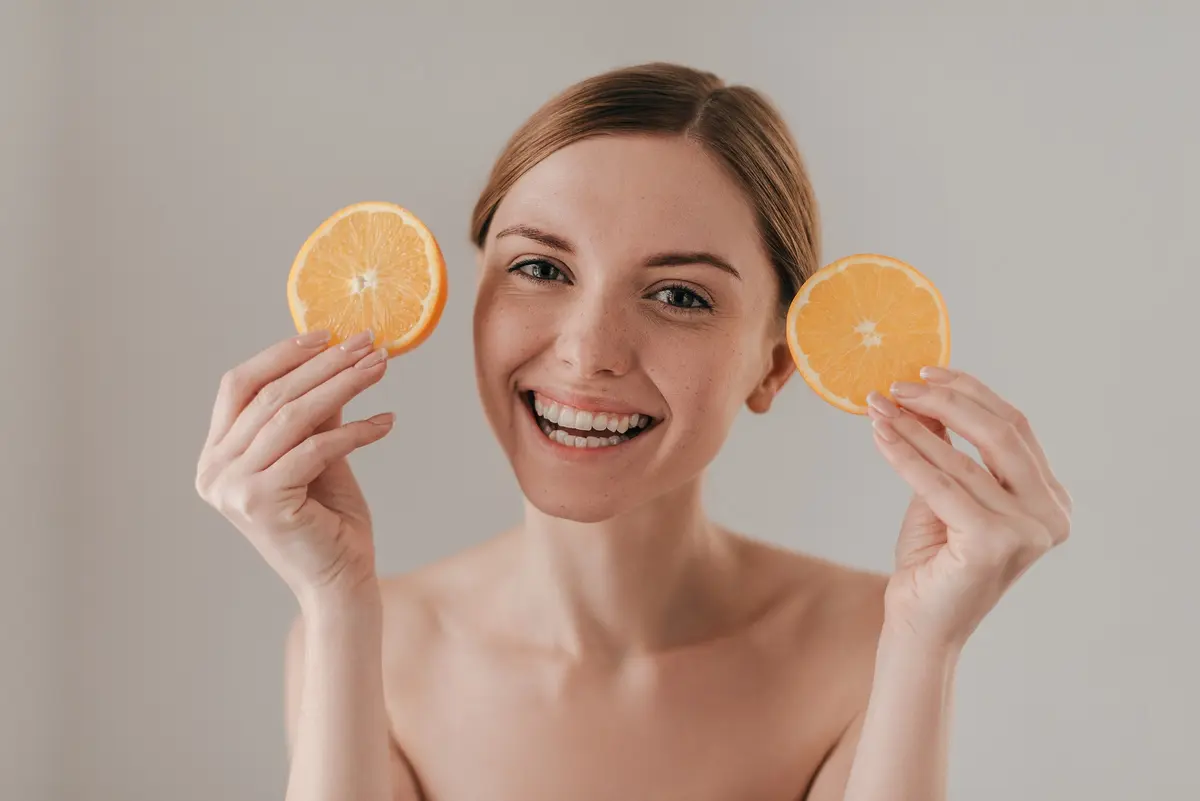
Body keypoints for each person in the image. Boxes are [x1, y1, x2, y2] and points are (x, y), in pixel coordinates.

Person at [194, 62, 1071, 801]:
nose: (587, 353)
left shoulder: (871, 643)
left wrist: (928, 641)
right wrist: (339, 601)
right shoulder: (364, 642)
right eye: (541, 268)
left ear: (777, 362)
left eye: (679, 295)